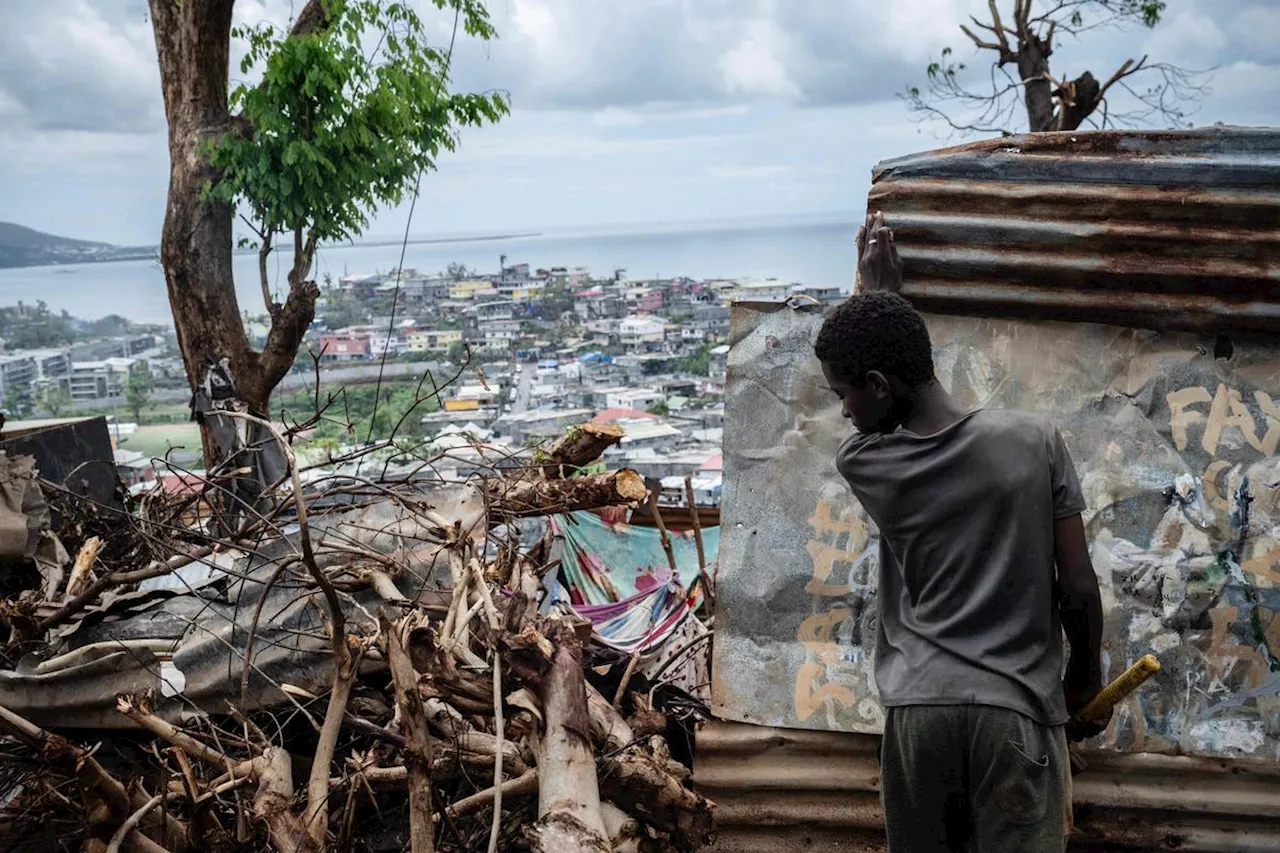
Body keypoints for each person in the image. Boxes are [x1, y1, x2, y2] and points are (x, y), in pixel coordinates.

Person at [813, 212, 1108, 853]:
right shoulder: (1035, 441)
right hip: (1015, 711)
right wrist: (1083, 683)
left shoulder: (868, 463)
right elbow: (1078, 587)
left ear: (877, 386)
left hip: (919, 713)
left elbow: (879, 383)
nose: (845, 410)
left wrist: (881, 296)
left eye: (844, 394)